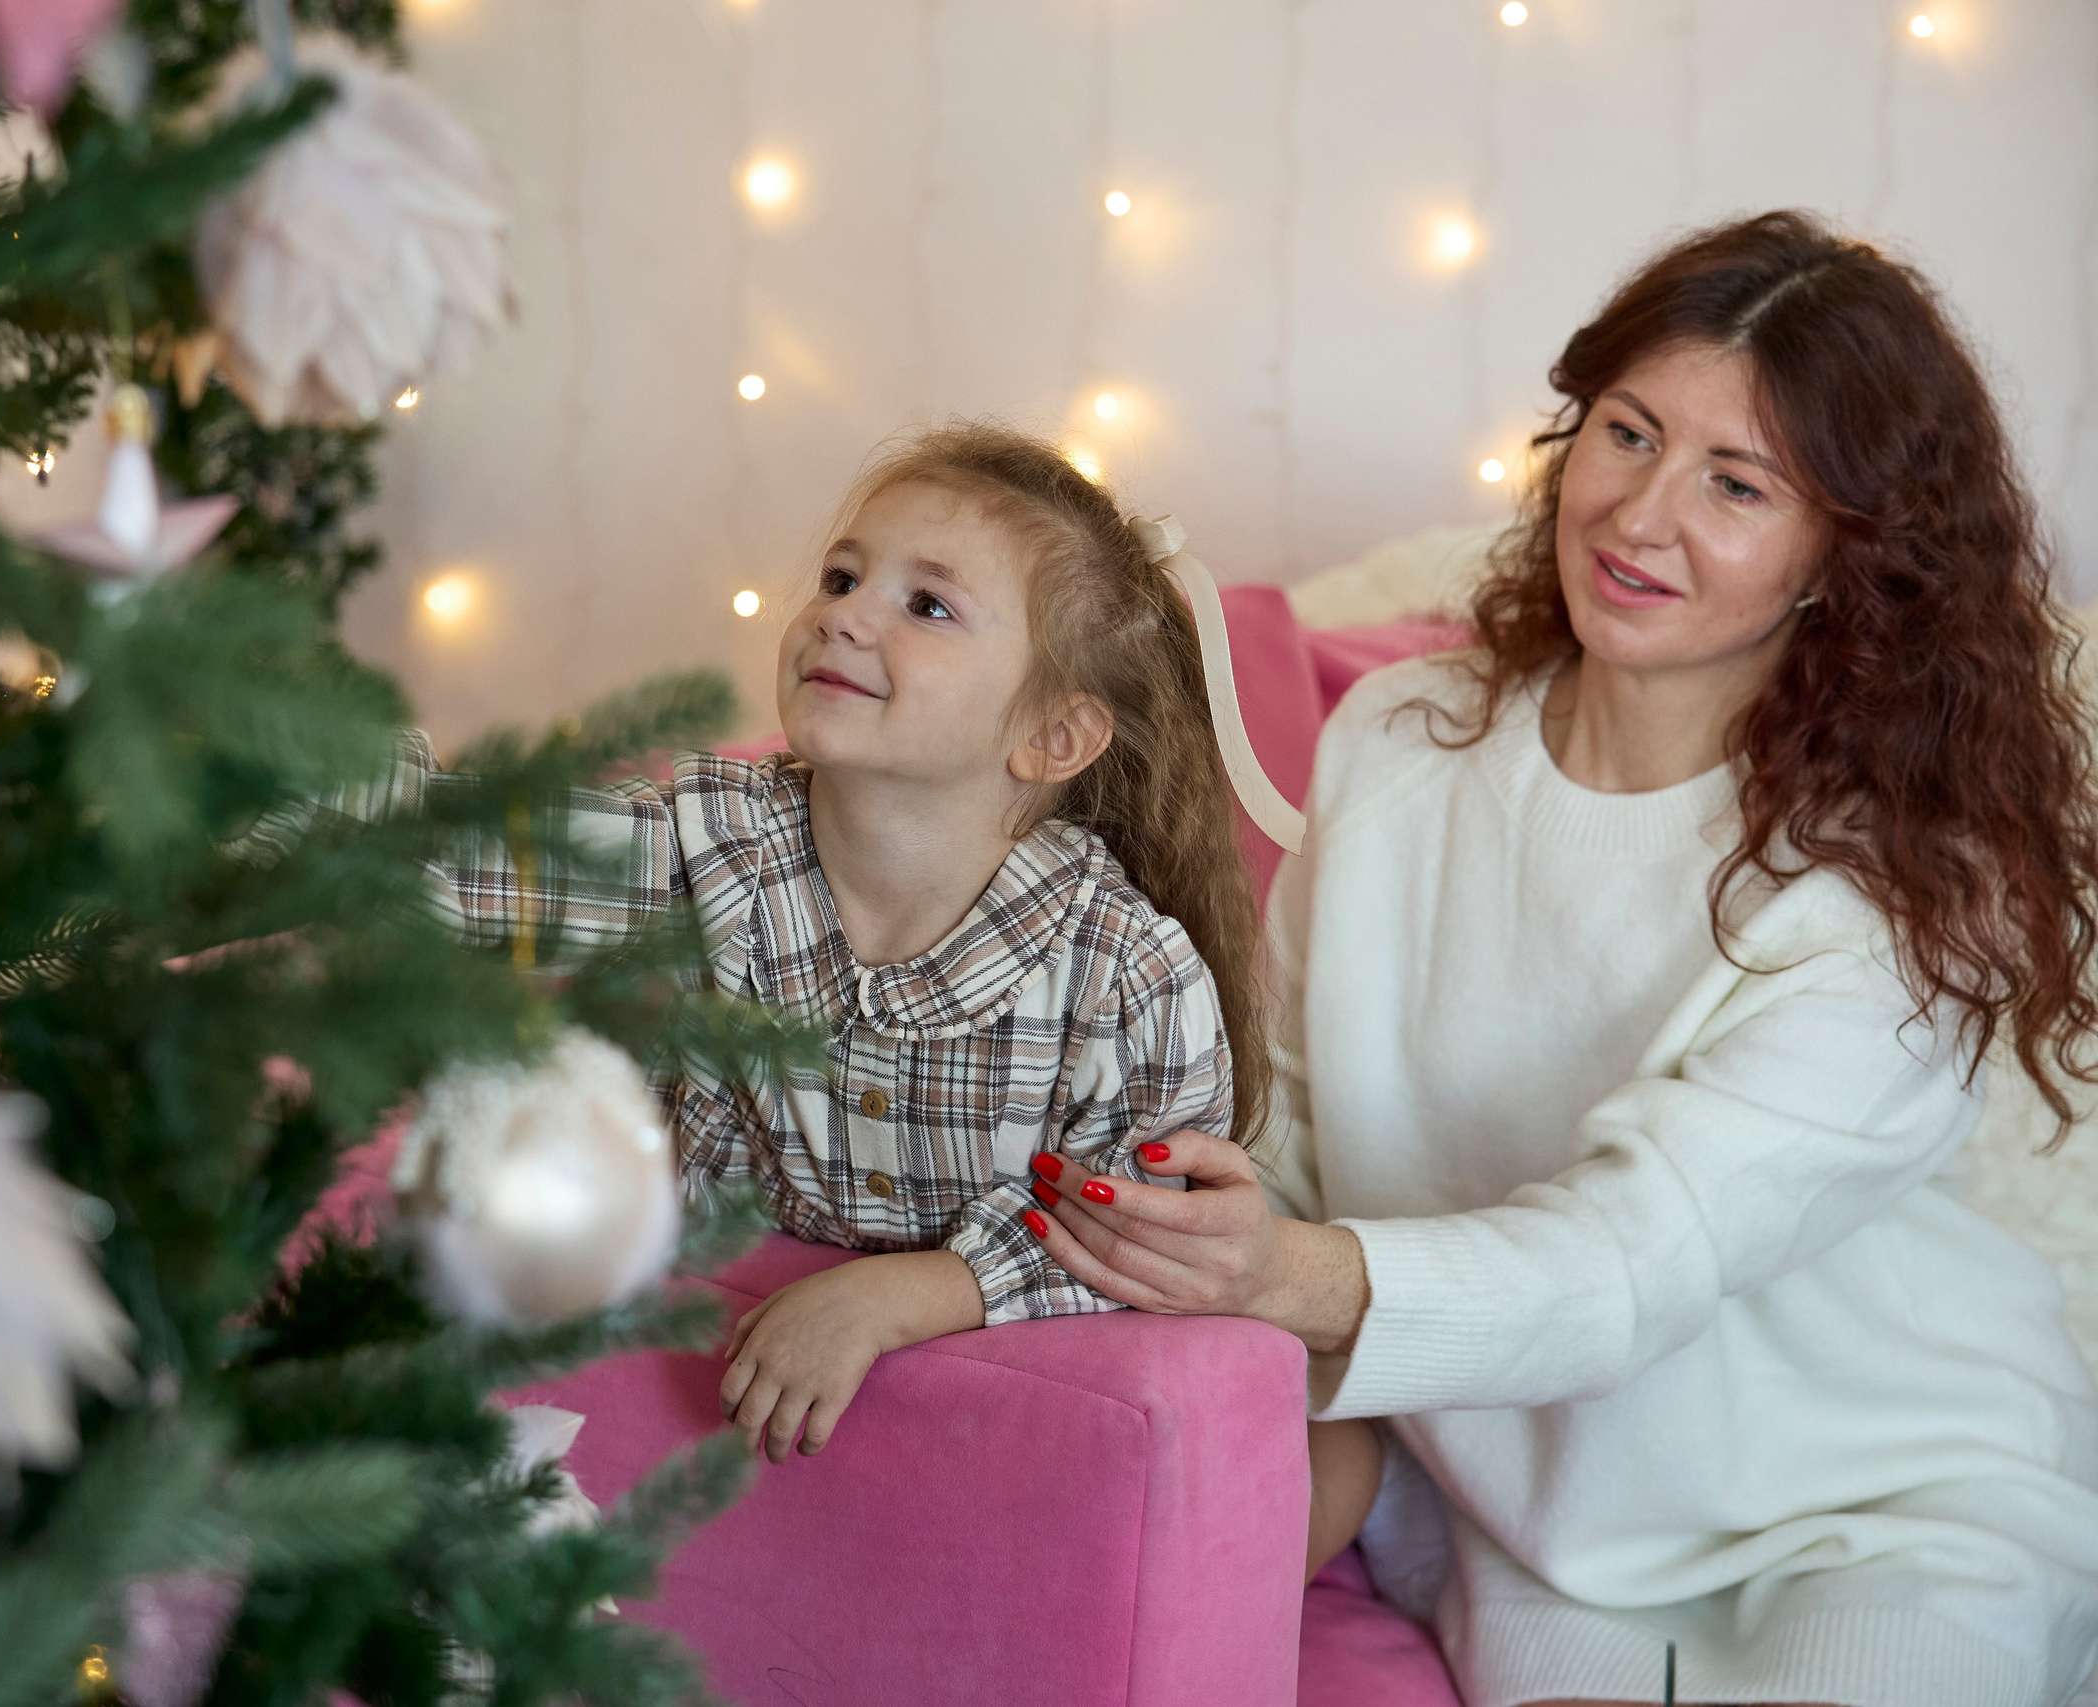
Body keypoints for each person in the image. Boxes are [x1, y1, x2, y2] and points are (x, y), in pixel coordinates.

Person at [1024, 211, 2098, 1707]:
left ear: (1850, 554)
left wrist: (1289, 1272)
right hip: (1533, 1523)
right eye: (1627, 433)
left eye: (1736, 483)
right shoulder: (1400, 742)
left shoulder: (1909, 884)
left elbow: (1628, 1255)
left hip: (1892, 1507)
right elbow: (1286, 1126)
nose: (1639, 516)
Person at [380, 424, 1311, 1477]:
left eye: (926, 605)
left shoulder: (1125, 976)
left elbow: (1149, 1245)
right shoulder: (709, 842)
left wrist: (909, 1295)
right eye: (840, 576)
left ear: (1052, 737)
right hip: (685, 1425)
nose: (842, 615)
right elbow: (485, 854)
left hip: (984, 1471)